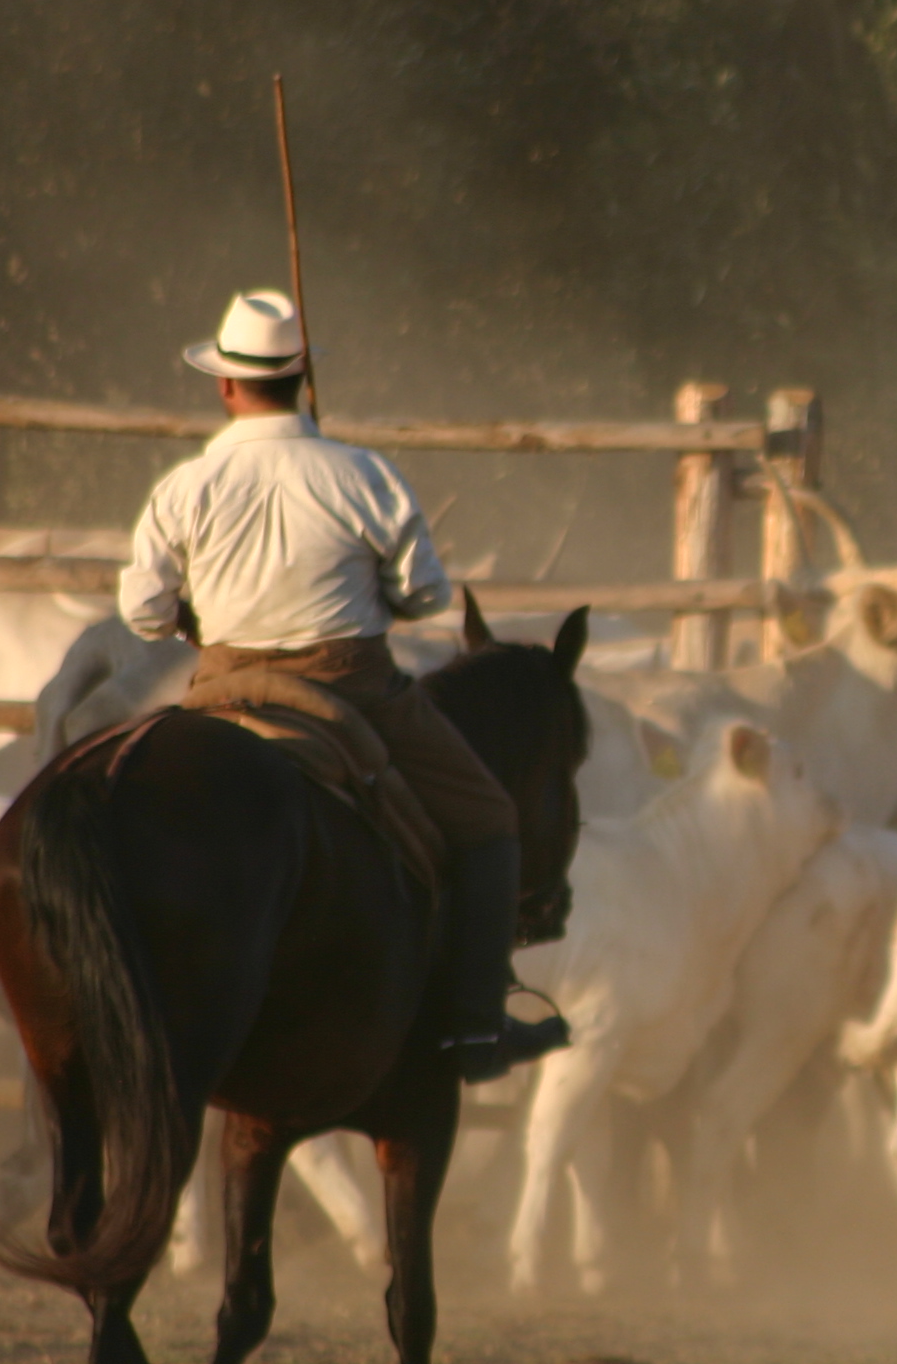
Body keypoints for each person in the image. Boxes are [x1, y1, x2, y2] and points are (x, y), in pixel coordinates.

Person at [118, 288, 568, 1082]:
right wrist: (376, 594)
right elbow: (427, 595)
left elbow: (143, 611)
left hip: (220, 690)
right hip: (351, 690)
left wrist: (196, 616)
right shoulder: (362, 474)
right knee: (491, 817)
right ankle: (474, 1029)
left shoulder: (184, 487)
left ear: (225, 385)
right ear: (303, 381)